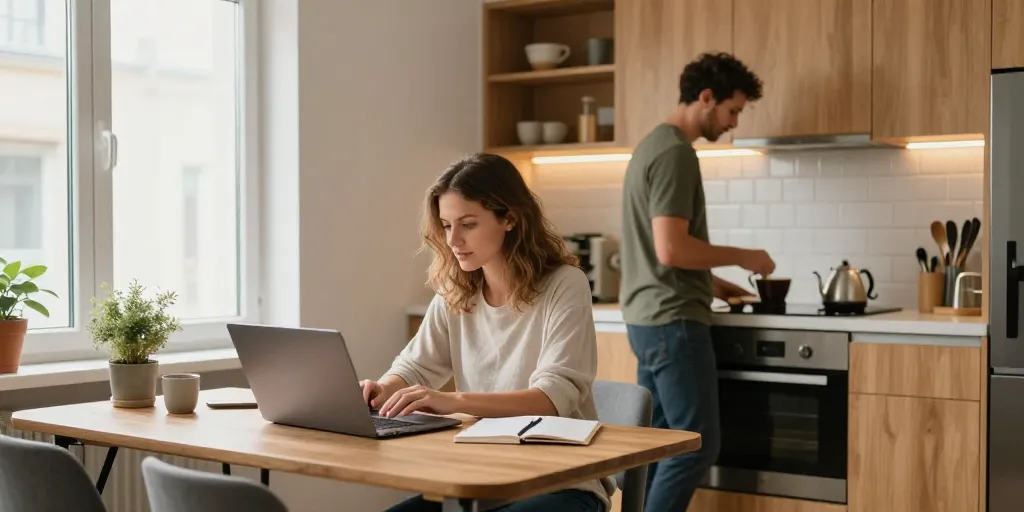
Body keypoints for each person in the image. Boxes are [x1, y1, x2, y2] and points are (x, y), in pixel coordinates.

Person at [364, 153, 614, 512]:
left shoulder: (565, 284)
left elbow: (551, 398)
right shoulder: (455, 291)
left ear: (509, 218)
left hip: (561, 480)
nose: (453, 239)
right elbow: (415, 368)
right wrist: (381, 390)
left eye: (468, 224)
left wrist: (453, 401)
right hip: (481, 477)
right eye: (446, 225)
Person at [618, 52, 777, 511]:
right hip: (674, 323)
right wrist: (745, 256)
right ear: (706, 98)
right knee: (696, 445)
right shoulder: (676, 153)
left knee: (657, 444)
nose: (734, 122)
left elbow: (661, 254)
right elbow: (671, 249)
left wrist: (712, 284)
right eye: (733, 110)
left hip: (648, 319)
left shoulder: (650, 146)